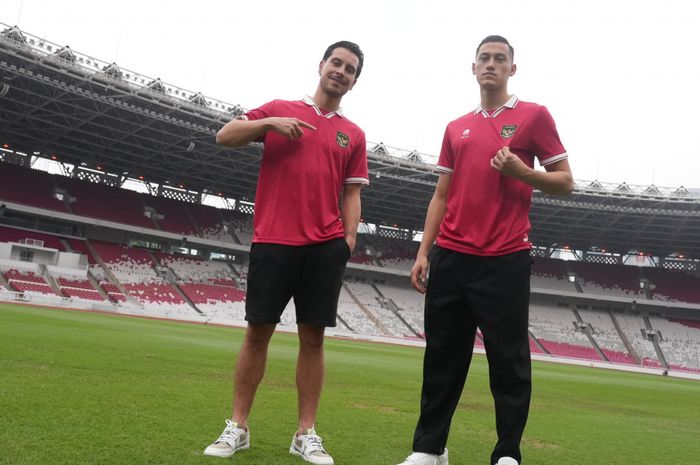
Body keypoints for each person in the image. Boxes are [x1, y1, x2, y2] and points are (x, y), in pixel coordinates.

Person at [397, 35, 574, 465]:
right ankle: (429, 449)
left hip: (506, 256)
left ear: (513, 69)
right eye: (484, 58)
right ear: (472, 68)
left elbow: (566, 181)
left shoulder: (534, 116)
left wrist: (520, 171)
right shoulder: (456, 127)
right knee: (442, 356)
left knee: (508, 361)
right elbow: (441, 195)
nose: (491, 64)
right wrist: (424, 252)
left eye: (500, 59)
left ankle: (507, 453)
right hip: (452, 255)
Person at [204, 41, 368, 465]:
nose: (341, 71)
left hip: (324, 247)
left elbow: (352, 193)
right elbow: (225, 135)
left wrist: (347, 240)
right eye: (336, 63)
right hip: (273, 240)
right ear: (321, 65)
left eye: (350, 69)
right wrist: (272, 123)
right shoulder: (279, 107)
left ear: (353, 81)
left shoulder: (354, 135)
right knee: (257, 334)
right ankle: (238, 427)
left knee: (312, 340)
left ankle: (305, 433)